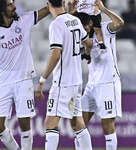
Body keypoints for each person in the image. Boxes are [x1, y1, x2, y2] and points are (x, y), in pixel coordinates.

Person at [0, 0, 50, 149]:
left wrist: (57, 3)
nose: (14, 7)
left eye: (13, 3)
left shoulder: (24, 21)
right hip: (3, 83)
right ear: (1, 10)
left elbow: (48, 10)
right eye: (9, 5)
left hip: (24, 80)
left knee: (24, 121)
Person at [35, 0, 93, 149]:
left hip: (63, 83)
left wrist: (42, 80)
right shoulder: (75, 20)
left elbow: (55, 55)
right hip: (76, 81)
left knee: (50, 123)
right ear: (63, 2)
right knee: (76, 123)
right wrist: (86, 55)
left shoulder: (56, 24)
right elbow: (89, 44)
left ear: (48, 5)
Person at [69, 0, 124, 149]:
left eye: (84, 27)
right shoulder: (82, 37)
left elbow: (119, 23)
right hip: (91, 85)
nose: (83, 31)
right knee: (78, 126)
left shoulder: (105, 29)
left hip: (108, 82)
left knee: (107, 125)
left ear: (92, 23)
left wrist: (103, 8)